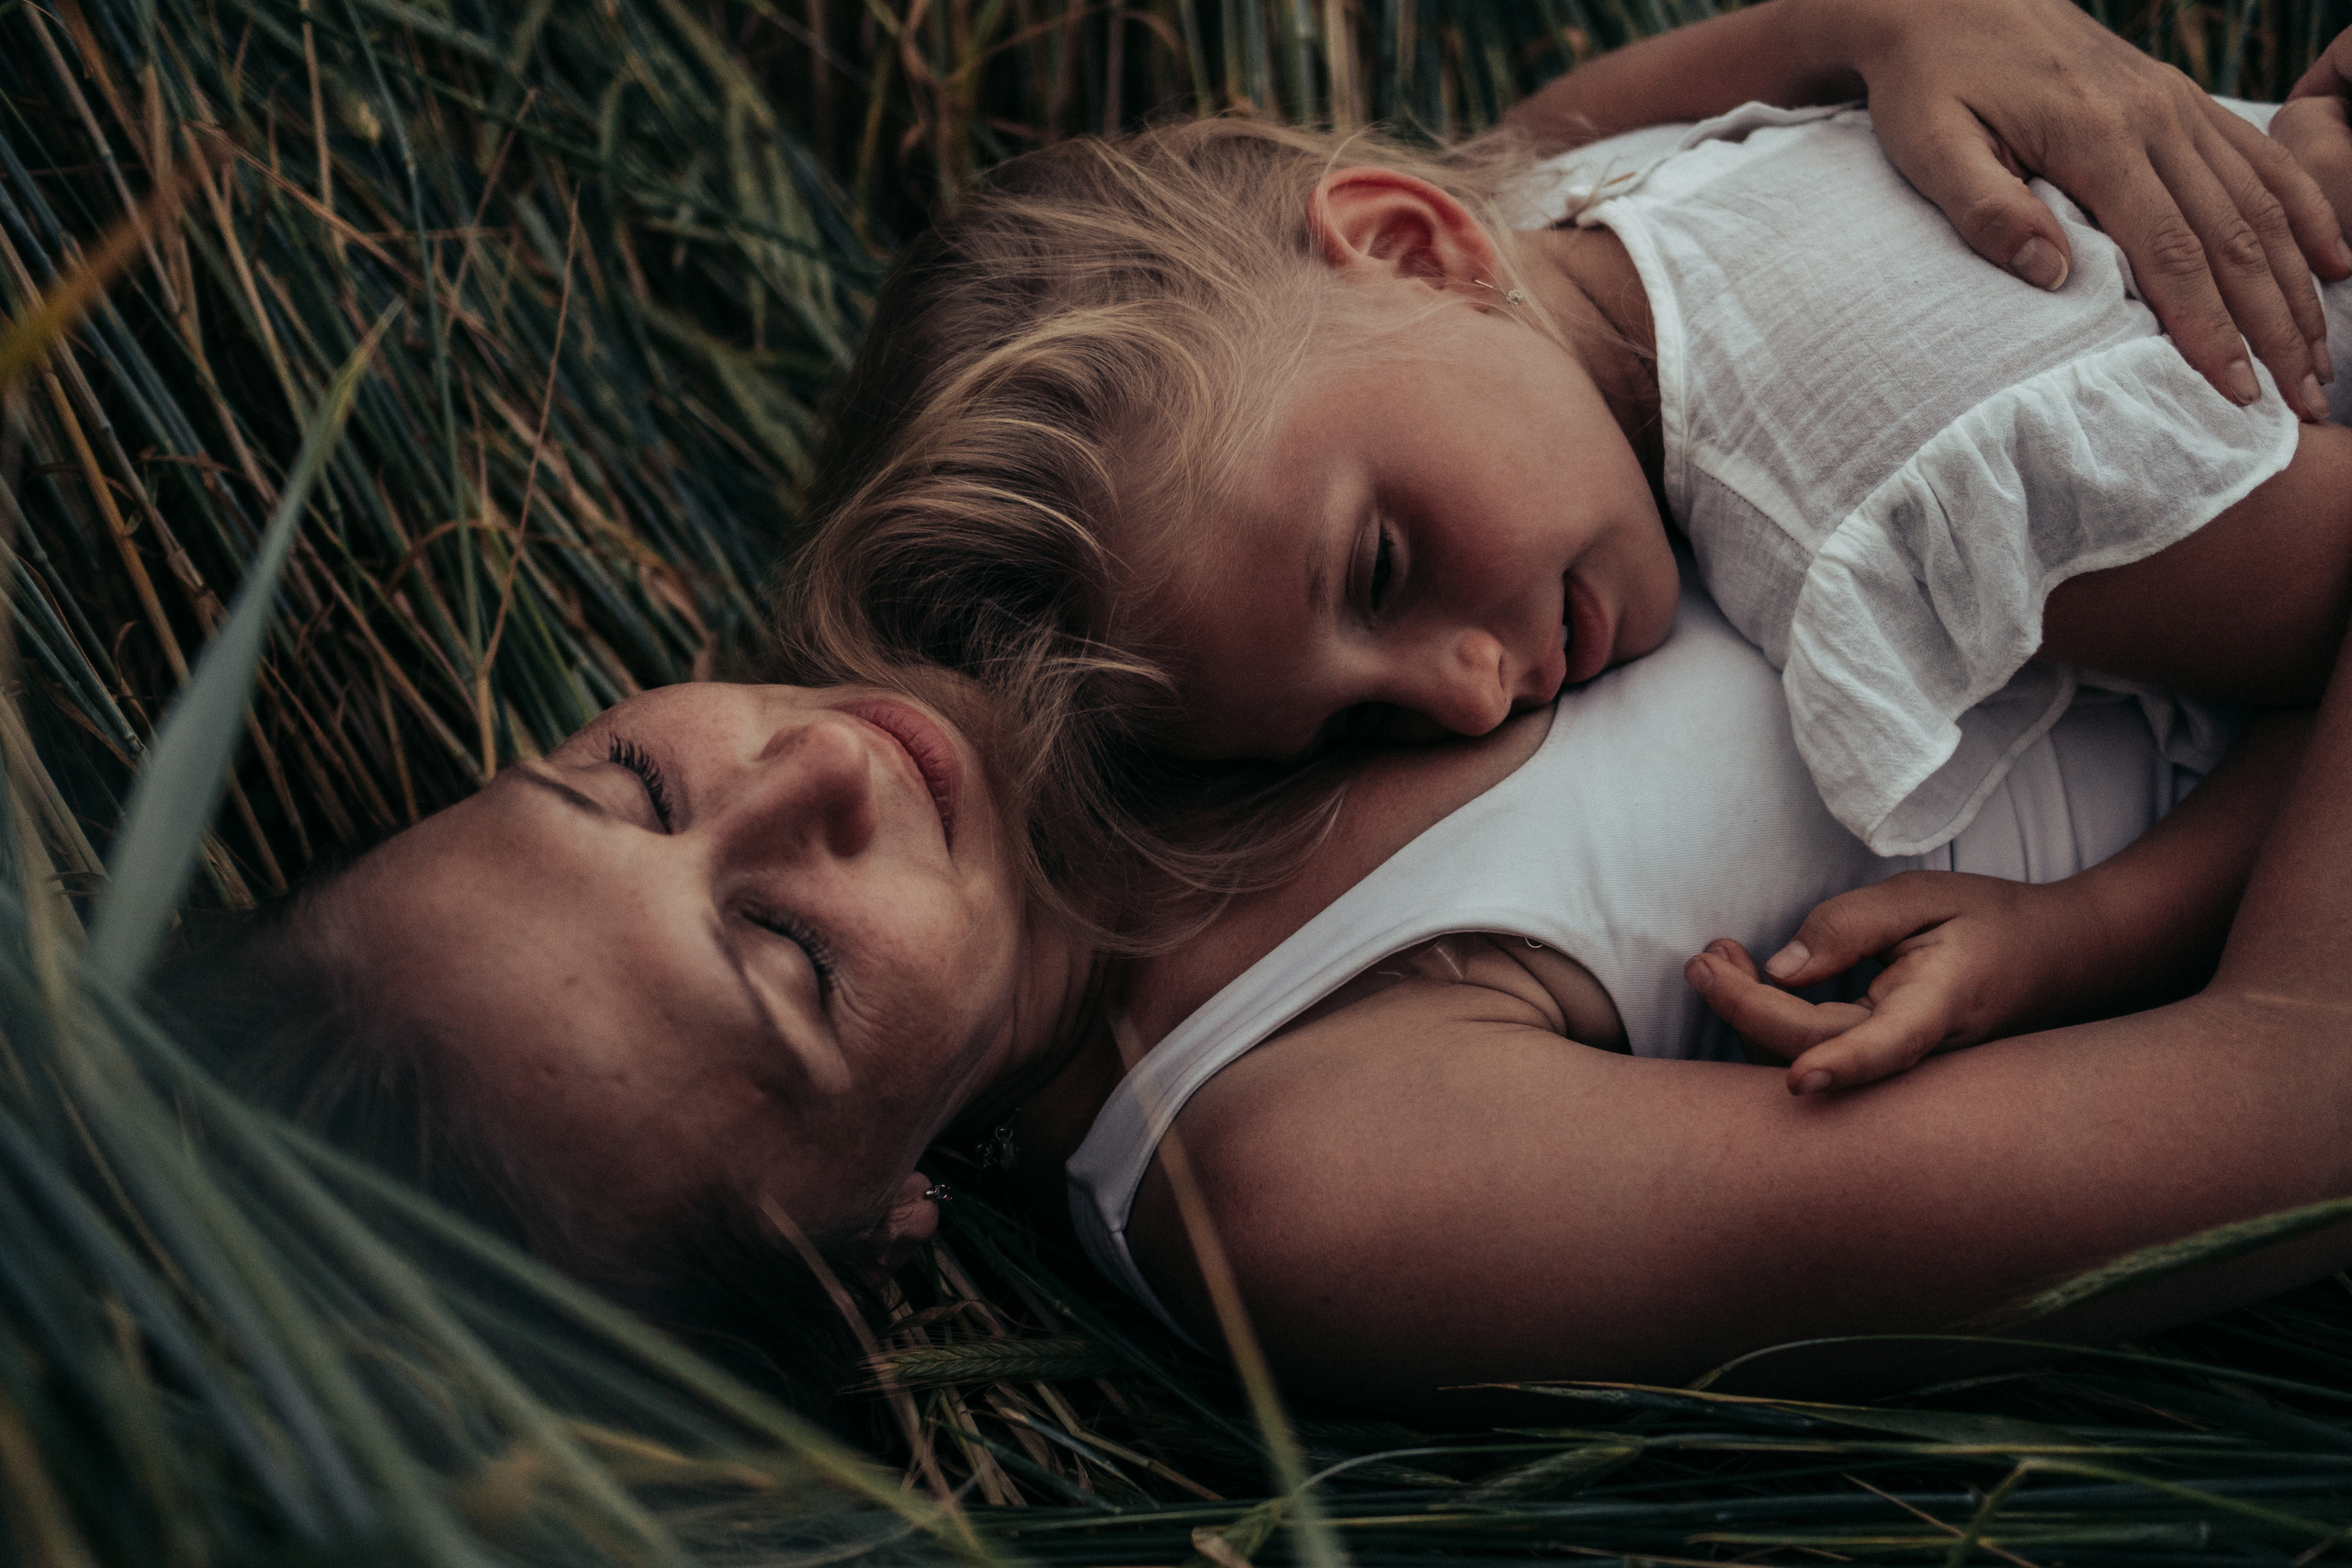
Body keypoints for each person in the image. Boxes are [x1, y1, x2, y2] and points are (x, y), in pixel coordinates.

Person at [166, 582, 2352, 1419]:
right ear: (870, 1233)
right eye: (790, 955)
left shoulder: (1059, 568)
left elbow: (1518, 235)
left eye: (625, 780)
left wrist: (1883, 37)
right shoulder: (1305, 1173)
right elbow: (2291, 1092)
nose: (806, 768)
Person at [782, 20, 2352, 1094]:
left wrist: (2097, 936)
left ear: (1410, 244)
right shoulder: (1567, 213)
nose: (1471, 696)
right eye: (1356, 725)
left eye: (1378, 571)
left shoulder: (1884, 496)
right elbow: (1578, 120)